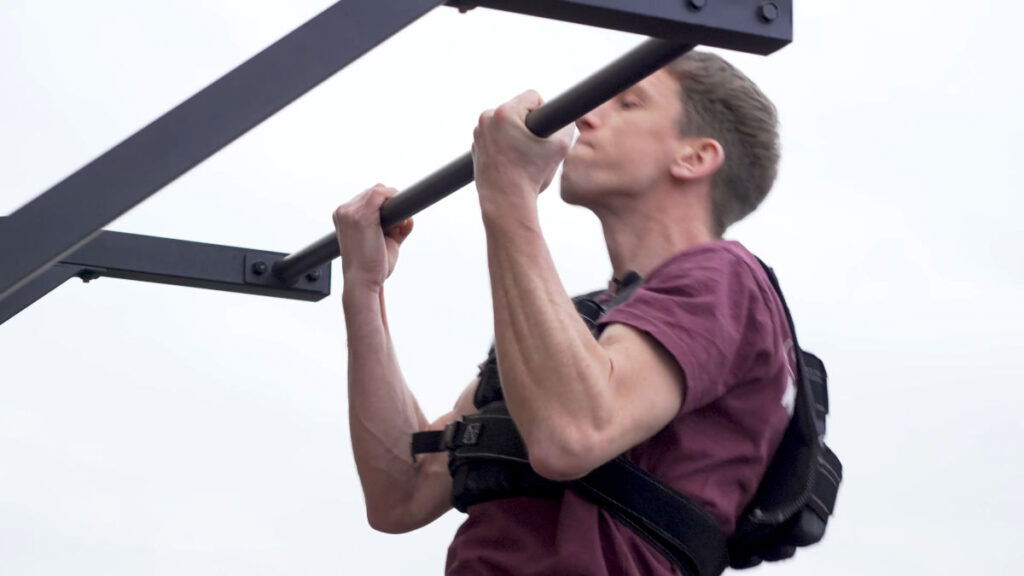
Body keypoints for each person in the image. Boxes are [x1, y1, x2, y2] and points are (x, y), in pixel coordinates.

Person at [332, 50, 795, 575]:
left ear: (694, 157)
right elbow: (402, 492)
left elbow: (571, 437)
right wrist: (363, 289)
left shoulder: (724, 278)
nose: (587, 116)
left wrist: (507, 190)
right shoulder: (579, 324)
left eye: (629, 103)